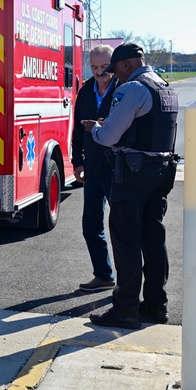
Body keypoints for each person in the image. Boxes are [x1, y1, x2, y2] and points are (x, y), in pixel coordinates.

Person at [82, 43, 178, 330]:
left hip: (134, 174)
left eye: (116, 70)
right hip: (161, 171)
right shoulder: (164, 86)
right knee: (153, 239)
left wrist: (95, 129)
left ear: (126, 65)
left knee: (125, 240)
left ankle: (125, 309)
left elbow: (110, 136)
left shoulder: (132, 88)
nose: (115, 78)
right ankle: (154, 305)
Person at [72, 44, 118, 292]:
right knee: (91, 226)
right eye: (94, 67)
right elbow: (77, 130)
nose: (100, 73)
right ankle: (103, 275)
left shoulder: (123, 89)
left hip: (116, 169)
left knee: (121, 226)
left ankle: (129, 282)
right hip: (92, 168)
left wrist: (103, 125)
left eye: (104, 67)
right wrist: (76, 161)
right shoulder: (86, 90)